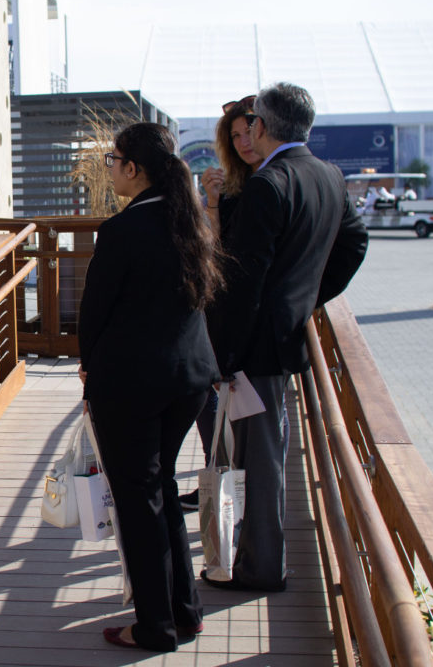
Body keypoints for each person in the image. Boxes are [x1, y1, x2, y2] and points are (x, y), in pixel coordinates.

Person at [204, 82, 368, 592]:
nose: (248, 131)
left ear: (262, 126)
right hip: (284, 334)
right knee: (267, 451)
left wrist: (223, 355)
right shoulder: (329, 176)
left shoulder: (267, 184)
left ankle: (262, 567)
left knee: (262, 456)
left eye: (251, 123)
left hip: (256, 347)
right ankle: (258, 560)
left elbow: (244, 280)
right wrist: (308, 297)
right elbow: (355, 243)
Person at [77, 122, 221, 652]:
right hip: (188, 379)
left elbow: (95, 314)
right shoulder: (194, 221)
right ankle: (186, 611)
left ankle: (155, 626)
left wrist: (88, 368)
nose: (110, 167)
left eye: (113, 159)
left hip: (132, 384)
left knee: (138, 500)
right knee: (157, 490)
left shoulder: (121, 231)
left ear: (134, 169)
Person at [181, 94, 264, 513]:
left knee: (235, 403)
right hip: (220, 302)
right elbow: (214, 245)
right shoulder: (231, 184)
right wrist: (212, 201)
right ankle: (218, 472)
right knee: (212, 391)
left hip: (250, 315)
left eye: (248, 131)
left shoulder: (273, 179)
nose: (243, 141)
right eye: (234, 135)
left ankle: (232, 484)